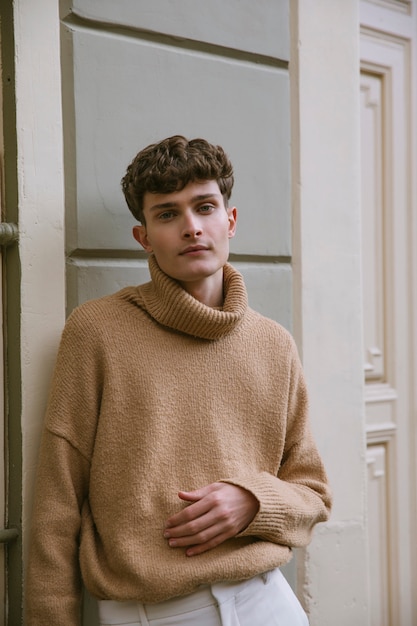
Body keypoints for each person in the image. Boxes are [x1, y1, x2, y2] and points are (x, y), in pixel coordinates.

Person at [26, 135, 332, 626]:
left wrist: (254, 501)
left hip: (266, 601)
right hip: (151, 612)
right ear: (144, 236)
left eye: (205, 206)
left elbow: (313, 494)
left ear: (229, 221)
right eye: (167, 214)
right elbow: (56, 509)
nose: (192, 228)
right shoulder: (97, 332)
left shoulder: (274, 344)